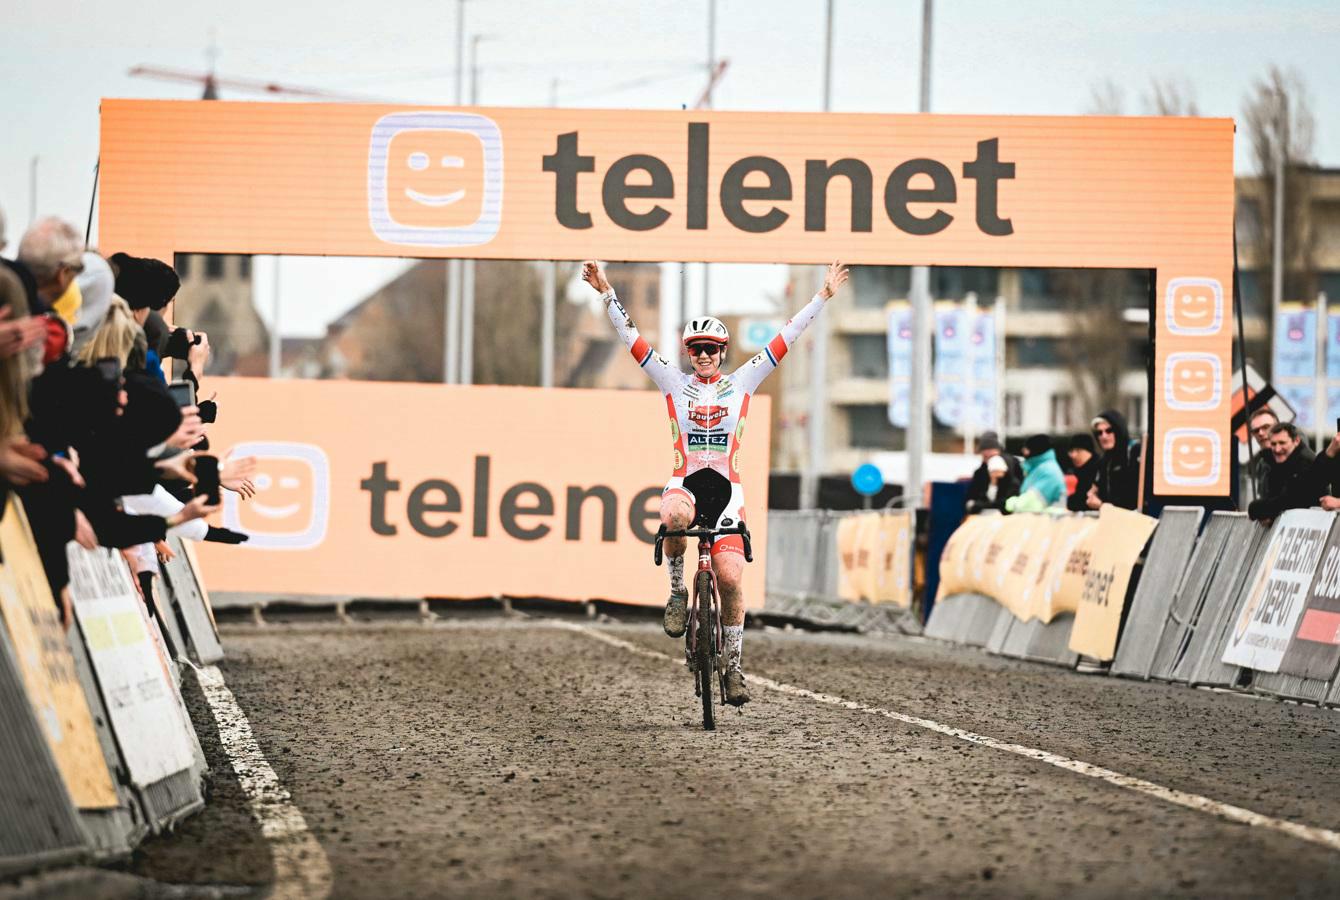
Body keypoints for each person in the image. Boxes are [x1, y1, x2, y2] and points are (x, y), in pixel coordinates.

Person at [585, 258, 848, 706]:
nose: (703, 355)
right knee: (672, 515)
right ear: (687, 353)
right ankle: (676, 590)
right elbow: (632, 338)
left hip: (727, 491)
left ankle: (735, 666)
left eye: (711, 348)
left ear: (724, 352)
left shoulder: (744, 381)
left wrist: (821, 297)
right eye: (696, 349)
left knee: (730, 578)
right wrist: (607, 291)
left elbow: (786, 337)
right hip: (685, 481)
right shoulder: (671, 380)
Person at [1247, 422, 1320, 522]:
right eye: (1273, 444)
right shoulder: (1282, 462)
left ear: (1296, 441)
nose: (1277, 449)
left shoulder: (1305, 462)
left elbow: (1290, 499)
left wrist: (1256, 508)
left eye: (1282, 443)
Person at [1087, 408, 1141, 510]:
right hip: (1111, 521)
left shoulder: (1133, 452)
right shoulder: (1104, 461)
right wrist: (1093, 495)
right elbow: (1096, 490)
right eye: (1099, 433)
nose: (1104, 436)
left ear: (1118, 430)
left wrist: (1101, 505)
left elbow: (1131, 499)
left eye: (1109, 431)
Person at [964, 431, 1023, 515]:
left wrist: (979, 505)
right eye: (986, 457)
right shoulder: (981, 472)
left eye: (992, 456)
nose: (990, 460)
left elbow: (1006, 502)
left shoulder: (1010, 470)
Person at [1005, 434, 1067, 512]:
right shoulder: (1037, 468)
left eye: (1026, 449)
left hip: (1050, 521)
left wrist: (1011, 502)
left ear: (1036, 450)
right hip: (1040, 520)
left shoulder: (1048, 470)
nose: (1024, 453)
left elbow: (1030, 505)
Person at [1245, 407, 1279, 501]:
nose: (1260, 433)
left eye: (1266, 427)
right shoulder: (1261, 464)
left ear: (1278, 427)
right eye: (1256, 431)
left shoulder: (1295, 458)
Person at [1066, 432, 1101, 512]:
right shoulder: (1079, 471)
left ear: (1089, 451)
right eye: (1071, 451)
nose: (1073, 455)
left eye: (1078, 450)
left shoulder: (1099, 470)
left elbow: (1082, 501)